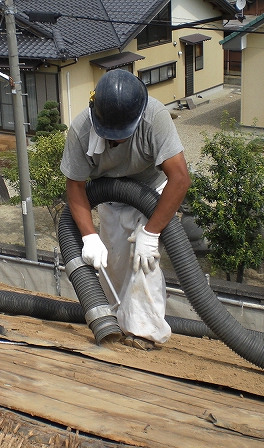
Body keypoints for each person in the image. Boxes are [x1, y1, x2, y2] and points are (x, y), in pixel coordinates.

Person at [60, 69, 191, 350]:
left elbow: (180, 178)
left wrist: (151, 233)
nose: (116, 141)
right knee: (115, 265)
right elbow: (75, 186)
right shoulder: (82, 129)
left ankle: (145, 333)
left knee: (143, 262)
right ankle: (115, 322)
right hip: (109, 197)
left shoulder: (154, 117)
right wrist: (88, 236)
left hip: (152, 196)